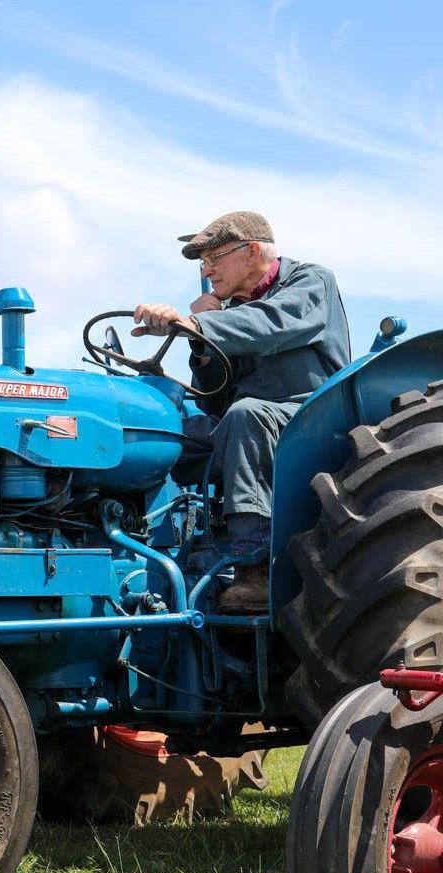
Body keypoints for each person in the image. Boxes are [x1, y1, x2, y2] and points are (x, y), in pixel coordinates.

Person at [132, 211, 351, 611]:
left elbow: (274, 322)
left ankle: (255, 568)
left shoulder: (311, 281)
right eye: (204, 262)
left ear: (251, 253)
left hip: (311, 418)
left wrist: (200, 324)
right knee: (161, 433)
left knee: (247, 414)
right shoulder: (229, 309)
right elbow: (215, 399)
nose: (207, 270)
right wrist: (200, 342)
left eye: (215, 257)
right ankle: (139, 545)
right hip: (245, 423)